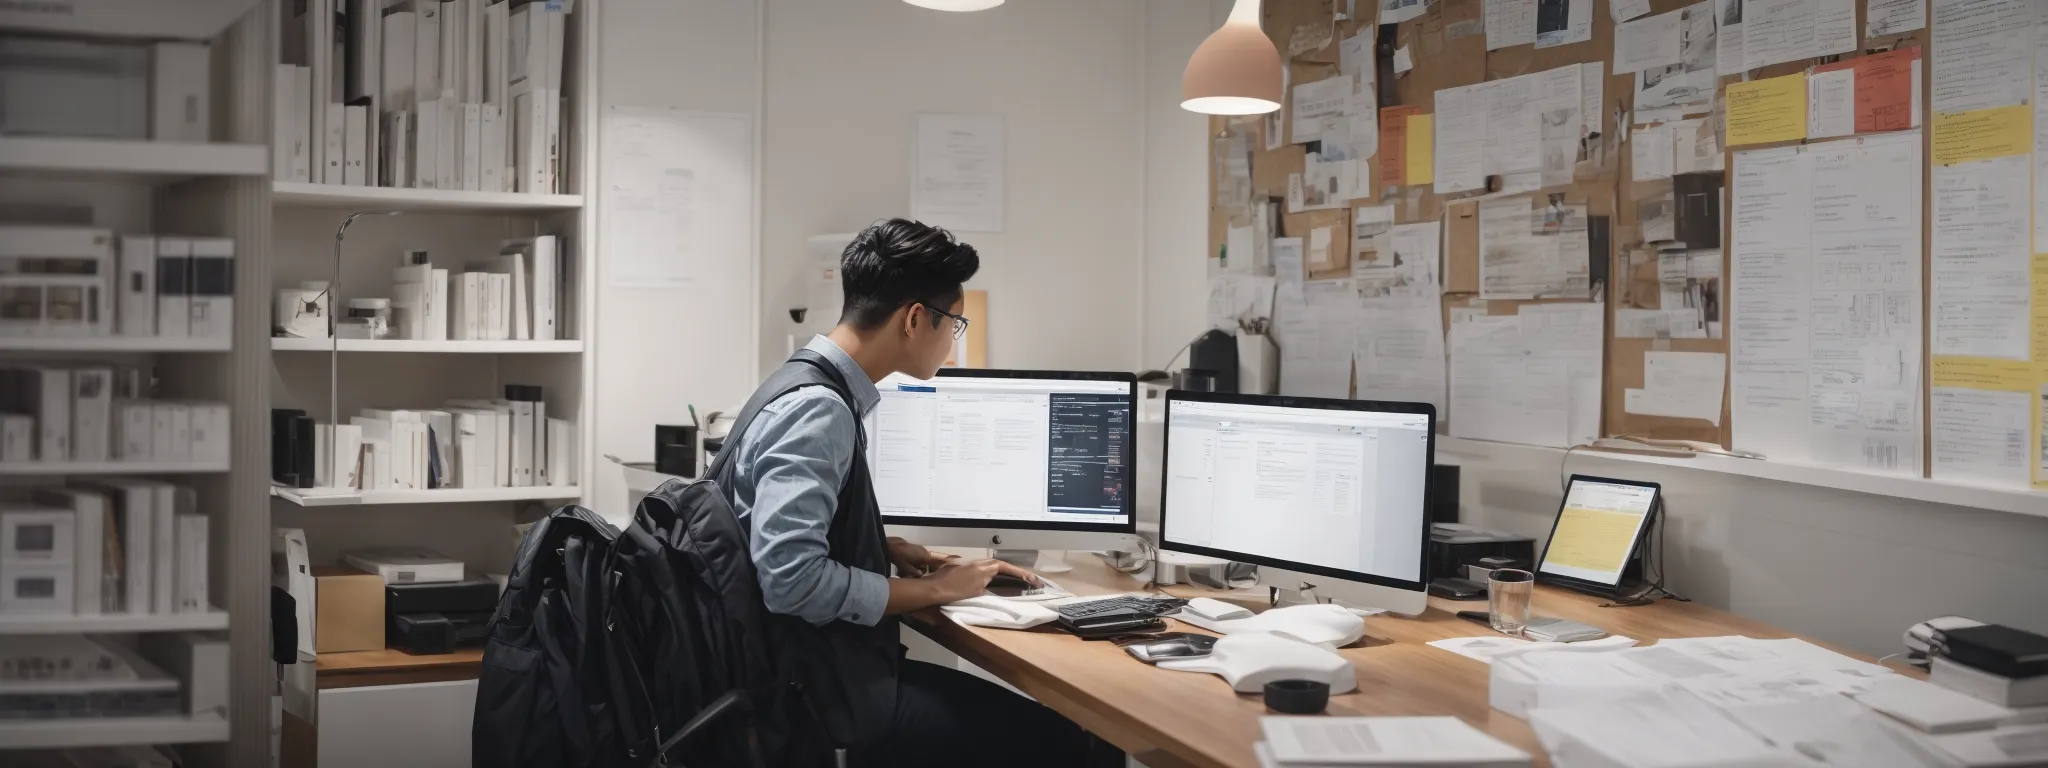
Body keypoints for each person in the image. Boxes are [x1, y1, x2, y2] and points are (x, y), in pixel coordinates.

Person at [719, 218, 1118, 768]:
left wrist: (882, 549)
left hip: (796, 670)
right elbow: (790, 581)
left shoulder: (800, 382)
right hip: (806, 693)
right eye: (955, 323)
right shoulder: (819, 409)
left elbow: (766, 532)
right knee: (1076, 746)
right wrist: (939, 590)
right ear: (913, 319)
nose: (954, 342)